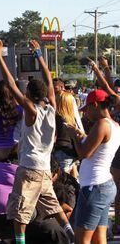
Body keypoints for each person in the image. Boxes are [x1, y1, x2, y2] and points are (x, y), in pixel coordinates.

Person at [0, 39, 74, 244]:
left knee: (20, 211)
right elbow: (48, 78)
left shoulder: (31, 111)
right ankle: (71, 234)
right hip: (45, 168)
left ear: (28, 94)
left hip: (29, 168)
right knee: (53, 206)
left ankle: (20, 242)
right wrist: (39, 55)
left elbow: (10, 84)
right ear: (45, 94)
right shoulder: (51, 108)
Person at [66, 88, 120, 243]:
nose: (85, 113)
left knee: (82, 239)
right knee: (99, 238)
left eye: (86, 109)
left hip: (94, 187)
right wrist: (80, 135)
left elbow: (84, 154)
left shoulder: (101, 124)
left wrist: (74, 138)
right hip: (104, 185)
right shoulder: (114, 125)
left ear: (95, 105)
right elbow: (98, 146)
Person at [54, 91, 81, 178]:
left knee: (62, 180)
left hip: (61, 151)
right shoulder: (72, 118)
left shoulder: (57, 118)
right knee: (72, 177)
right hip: (72, 151)